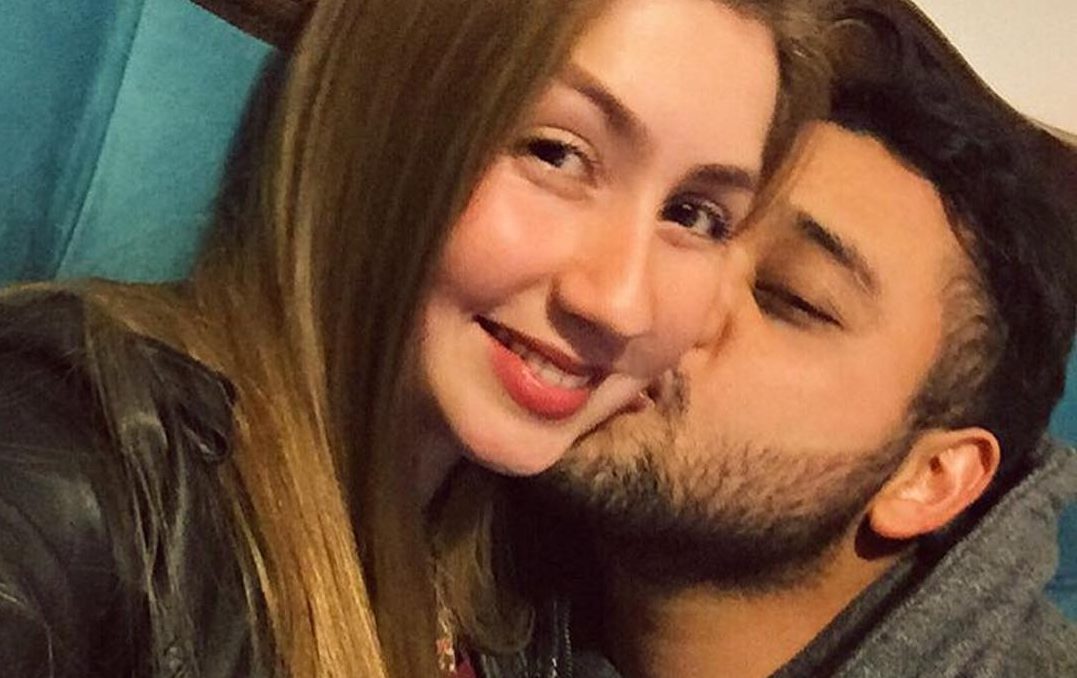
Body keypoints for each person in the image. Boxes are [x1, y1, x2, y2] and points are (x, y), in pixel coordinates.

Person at [0, 0, 827, 676]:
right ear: (378, 119)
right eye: (555, 154)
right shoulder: (75, 469)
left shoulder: (520, 586)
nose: (621, 305)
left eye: (692, 215)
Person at [486, 1, 1077, 676]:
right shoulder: (455, 542)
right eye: (696, 225)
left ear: (929, 480)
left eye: (791, 298)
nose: (661, 301)